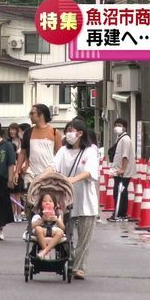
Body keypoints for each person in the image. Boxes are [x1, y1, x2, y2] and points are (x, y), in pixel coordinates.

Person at [46, 119, 99, 280]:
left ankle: (79, 267)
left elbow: (89, 172)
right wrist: (45, 174)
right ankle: (71, 259)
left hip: (86, 201)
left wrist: (72, 180)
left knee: (85, 237)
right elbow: (53, 165)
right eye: (67, 130)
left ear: (80, 133)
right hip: (65, 201)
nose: (69, 133)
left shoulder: (90, 151)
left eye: (72, 130)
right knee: (63, 234)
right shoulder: (63, 151)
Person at [16, 104, 63, 189]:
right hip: (30, 174)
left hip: (48, 174)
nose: (30, 116)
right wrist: (16, 171)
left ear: (41, 114)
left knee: (46, 201)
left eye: (32, 113)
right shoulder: (28, 132)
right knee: (30, 201)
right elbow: (22, 153)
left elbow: (59, 155)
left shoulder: (55, 132)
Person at [108, 118, 136, 222]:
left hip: (122, 172)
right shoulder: (120, 138)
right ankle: (120, 213)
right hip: (119, 171)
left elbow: (125, 156)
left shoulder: (125, 139)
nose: (117, 127)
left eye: (119, 125)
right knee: (120, 192)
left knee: (119, 193)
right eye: (116, 125)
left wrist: (122, 169)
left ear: (124, 127)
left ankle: (119, 214)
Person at [31, 193, 66, 260]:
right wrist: (41, 220)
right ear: (40, 205)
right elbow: (31, 226)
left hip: (53, 231)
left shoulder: (58, 215)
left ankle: (44, 252)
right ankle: (46, 253)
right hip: (42, 232)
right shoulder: (38, 215)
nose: (47, 203)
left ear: (55, 205)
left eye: (50, 201)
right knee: (38, 229)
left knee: (60, 233)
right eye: (44, 201)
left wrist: (57, 220)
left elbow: (63, 228)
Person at [7, 123, 24, 222]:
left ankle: (18, 215)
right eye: (10, 129)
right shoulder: (7, 142)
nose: (12, 131)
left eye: (14, 130)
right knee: (12, 196)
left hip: (19, 171)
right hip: (10, 171)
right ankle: (13, 214)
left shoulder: (23, 142)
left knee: (17, 195)